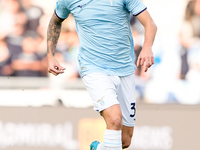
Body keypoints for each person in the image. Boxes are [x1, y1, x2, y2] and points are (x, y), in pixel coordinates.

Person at [47, 0, 157, 149]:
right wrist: (50, 55)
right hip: (94, 68)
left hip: (125, 69)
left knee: (125, 140)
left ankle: (99, 148)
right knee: (115, 119)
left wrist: (147, 48)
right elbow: (55, 21)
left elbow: (150, 24)